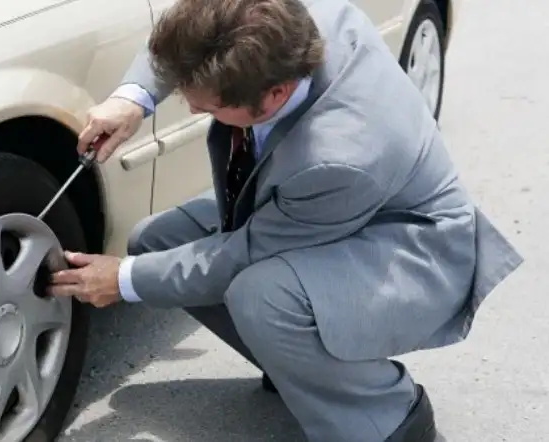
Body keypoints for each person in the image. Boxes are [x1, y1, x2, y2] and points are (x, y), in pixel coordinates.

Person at [48, 0, 524, 440]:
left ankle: (385, 416)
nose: (191, 107)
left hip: (409, 244)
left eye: (207, 104)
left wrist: (121, 281)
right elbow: (198, 28)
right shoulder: (287, 19)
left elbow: (242, 256)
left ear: (274, 95)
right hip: (323, 213)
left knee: (262, 295)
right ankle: (303, 371)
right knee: (157, 241)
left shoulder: (339, 156)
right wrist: (135, 98)